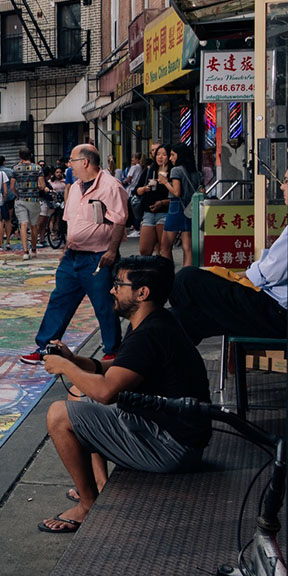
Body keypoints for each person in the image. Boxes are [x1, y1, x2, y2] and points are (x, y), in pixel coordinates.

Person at [38, 256, 210, 534]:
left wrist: (66, 367)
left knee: (59, 415)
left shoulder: (149, 334)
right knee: (81, 392)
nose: (111, 290)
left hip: (172, 448)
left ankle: (87, 505)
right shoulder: (153, 321)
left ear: (142, 293)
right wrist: (77, 360)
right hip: (173, 435)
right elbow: (119, 371)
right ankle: (99, 483)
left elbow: (106, 392)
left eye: (118, 284)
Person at [20, 144, 128, 364]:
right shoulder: (76, 187)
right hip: (73, 255)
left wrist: (112, 250)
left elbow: (119, 221)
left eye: (72, 161)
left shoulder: (110, 186)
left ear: (85, 162)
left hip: (98, 256)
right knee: (60, 300)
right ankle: (45, 346)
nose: (69, 165)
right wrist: (67, 247)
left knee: (104, 304)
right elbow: (72, 221)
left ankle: (112, 349)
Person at [170, 169, 288, 344]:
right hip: (271, 307)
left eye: (286, 181)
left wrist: (230, 276)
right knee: (181, 319)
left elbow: (269, 273)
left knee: (186, 278)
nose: (282, 187)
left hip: (275, 310)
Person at [159, 142, 201, 266]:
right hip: (190, 208)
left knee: (165, 245)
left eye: (172, 155)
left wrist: (165, 182)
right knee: (187, 246)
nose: (170, 158)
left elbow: (177, 192)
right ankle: (187, 275)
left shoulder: (176, 170)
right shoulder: (196, 172)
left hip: (177, 207)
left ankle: (168, 275)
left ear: (179, 155)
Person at [10, 147, 46, 259]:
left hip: (20, 200)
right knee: (34, 225)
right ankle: (33, 249)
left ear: (20, 156)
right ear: (30, 156)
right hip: (34, 200)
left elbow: (12, 187)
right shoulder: (37, 168)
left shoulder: (15, 169)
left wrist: (18, 193)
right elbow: (42, 185)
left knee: (23, 224)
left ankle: (25, 251)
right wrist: (36, 188)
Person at [0, 156, 16, 250]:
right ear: (4, 162)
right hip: (9, 197)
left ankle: (0, 243)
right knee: (8, 220)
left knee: (0, 221)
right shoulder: (9, 171)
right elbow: (13, 185)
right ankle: (8, 242)